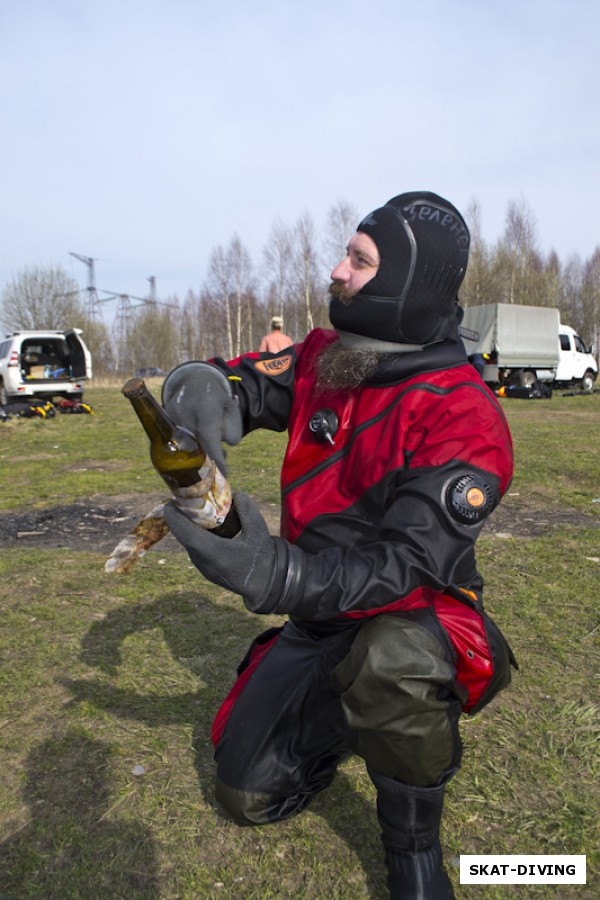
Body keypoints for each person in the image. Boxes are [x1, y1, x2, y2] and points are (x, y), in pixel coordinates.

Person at [161, 191, 516, 899]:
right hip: (320, 620)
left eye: (359, 260)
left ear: (406, 284)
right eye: (346, 253)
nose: (337, 269)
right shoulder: (341, 357)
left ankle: (414, 849)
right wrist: (203, 384)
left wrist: (274, 573)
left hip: (415, 616)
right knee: (246, 793)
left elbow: (407, 567)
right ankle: (352, 711)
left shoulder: (462, 415)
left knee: (391, 658)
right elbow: (250, 384)